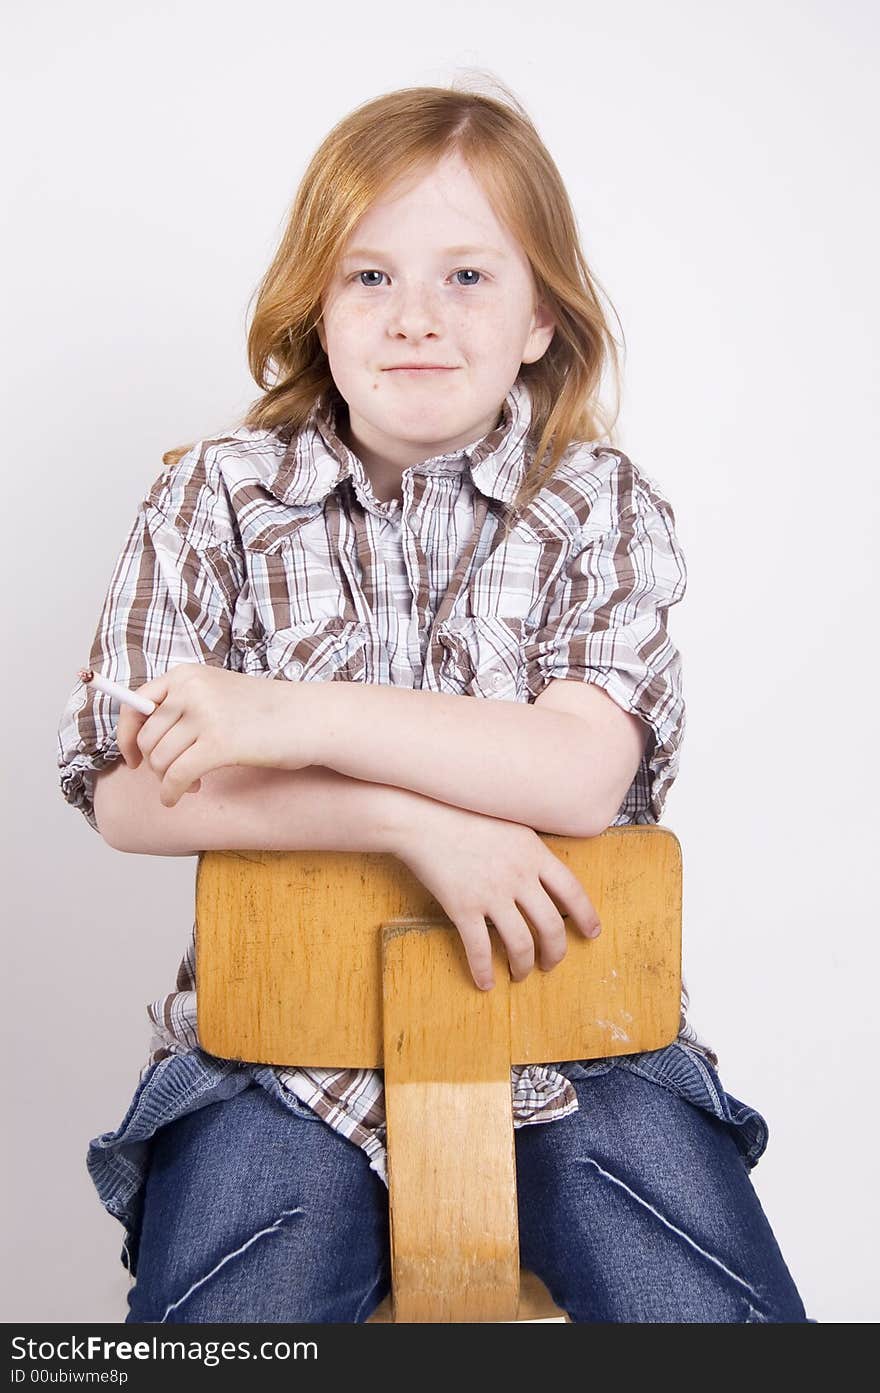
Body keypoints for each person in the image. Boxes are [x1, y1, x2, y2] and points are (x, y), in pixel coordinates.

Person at [57, 79, 811, 1323]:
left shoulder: (599, 503)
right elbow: (131, 793)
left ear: (538, 318)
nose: (416, 317)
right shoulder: (214, 499)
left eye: (466, 276)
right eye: (369, 277)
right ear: (315, 303)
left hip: (580, 1039)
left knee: (711, 1311)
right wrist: (414, 823)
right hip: (277, 1063)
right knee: (230, 1315)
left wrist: (291, 714)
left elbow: (575, 771)